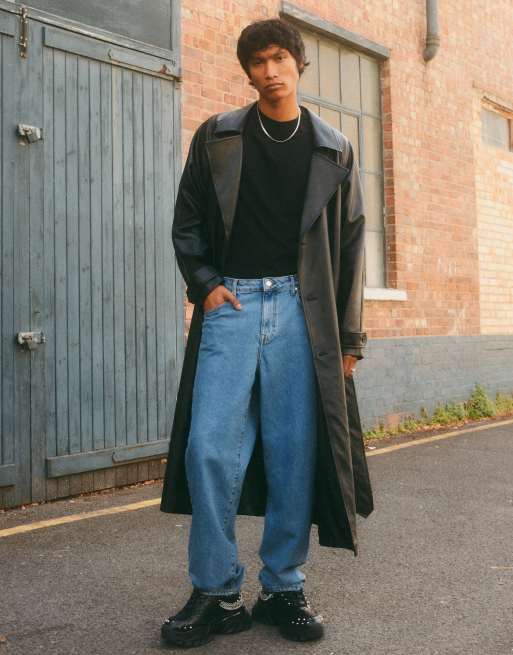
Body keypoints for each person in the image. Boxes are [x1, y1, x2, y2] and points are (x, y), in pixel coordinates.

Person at [160, 17, 374, 649]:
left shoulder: (334, 148)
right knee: (208, 448)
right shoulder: (218, 136)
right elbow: (188, 220)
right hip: (232, 304)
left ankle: (282, 586)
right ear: (248, 72)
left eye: (279, 58)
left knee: (292, 454)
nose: (270, 71)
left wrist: (350, 340)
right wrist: (205, 283)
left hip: (304, 314)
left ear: (299, 64)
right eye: (258, 62)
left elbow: (352, 248)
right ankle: (218, 592)